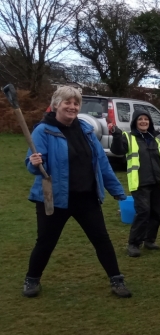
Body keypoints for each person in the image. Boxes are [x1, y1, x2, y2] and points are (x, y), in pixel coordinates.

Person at [23, 86, 131, 298]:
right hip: (54, 198)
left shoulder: (85, 130)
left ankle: (116, 279)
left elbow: (101, 163)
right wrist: (35, 162)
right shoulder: (43, 130)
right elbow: (33, 165)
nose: (72, 107)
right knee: (46, 241)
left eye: (76, 103)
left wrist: (118, 191)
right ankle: (32, 279)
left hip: (86, 197)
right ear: (56, 105)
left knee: (101, 239)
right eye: (67, 103)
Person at [110, 110, 160, 257]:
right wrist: (116, 134)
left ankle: (149, 240)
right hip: (140, 183)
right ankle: (133, 244)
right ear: (135, 122)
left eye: (146, 119)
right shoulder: (128, 138)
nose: (143, 122)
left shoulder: (155, 139)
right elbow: (117, 150)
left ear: (150, 122)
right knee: (143, 212)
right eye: (140, 119)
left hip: (157, 182)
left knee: (155, 213)